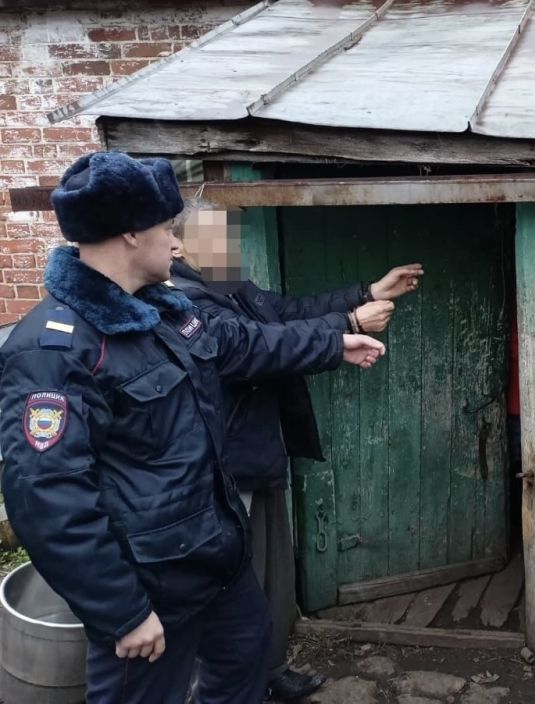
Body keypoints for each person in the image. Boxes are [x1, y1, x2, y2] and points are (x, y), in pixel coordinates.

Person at [0, 151, 386, 704]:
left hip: (216, 556)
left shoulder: (164, 310)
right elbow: (46, 496)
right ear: (132, 233)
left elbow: (243, 343)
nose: (174, 241)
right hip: (150, 583)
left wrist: (334, 342)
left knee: (246, 661)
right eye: (165, 226)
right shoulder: (53, 350)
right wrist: (122, 611)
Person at [169, 201, 423, 701]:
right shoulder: (186, 301)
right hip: (226, 466)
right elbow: (258, 346)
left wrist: (368, 293)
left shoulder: (229, 285)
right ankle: (225, 683)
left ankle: (267, 670)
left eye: (230, 236)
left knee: (268, 577)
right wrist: (349, 323)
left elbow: (286, 313)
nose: (229, 246)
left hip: (258, 453)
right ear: (177, 245)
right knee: (232, 583)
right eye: (215, 237)